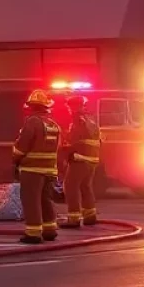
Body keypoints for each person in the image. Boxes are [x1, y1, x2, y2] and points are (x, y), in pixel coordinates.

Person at [12, 89, 62, 244]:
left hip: (32, 170)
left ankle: (33, 233)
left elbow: (22, 146)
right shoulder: (54, 124)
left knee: (31, 200)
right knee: (45, 200)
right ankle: (50, 230)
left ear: (31, 106)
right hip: (50, 170)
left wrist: (15, 158)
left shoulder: (32, 122)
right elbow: (58, 147)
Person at [61, 94, 101, 228]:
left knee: (70, 186)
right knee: (86, 186)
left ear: (75, 106)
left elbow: (74, 139)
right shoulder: (91, 119)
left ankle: (74, 219)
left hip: (80, 158)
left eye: (70, 106)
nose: (69, 109)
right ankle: (90, 216)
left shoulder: (77, 119)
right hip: (92, 159)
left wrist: (65, 151)